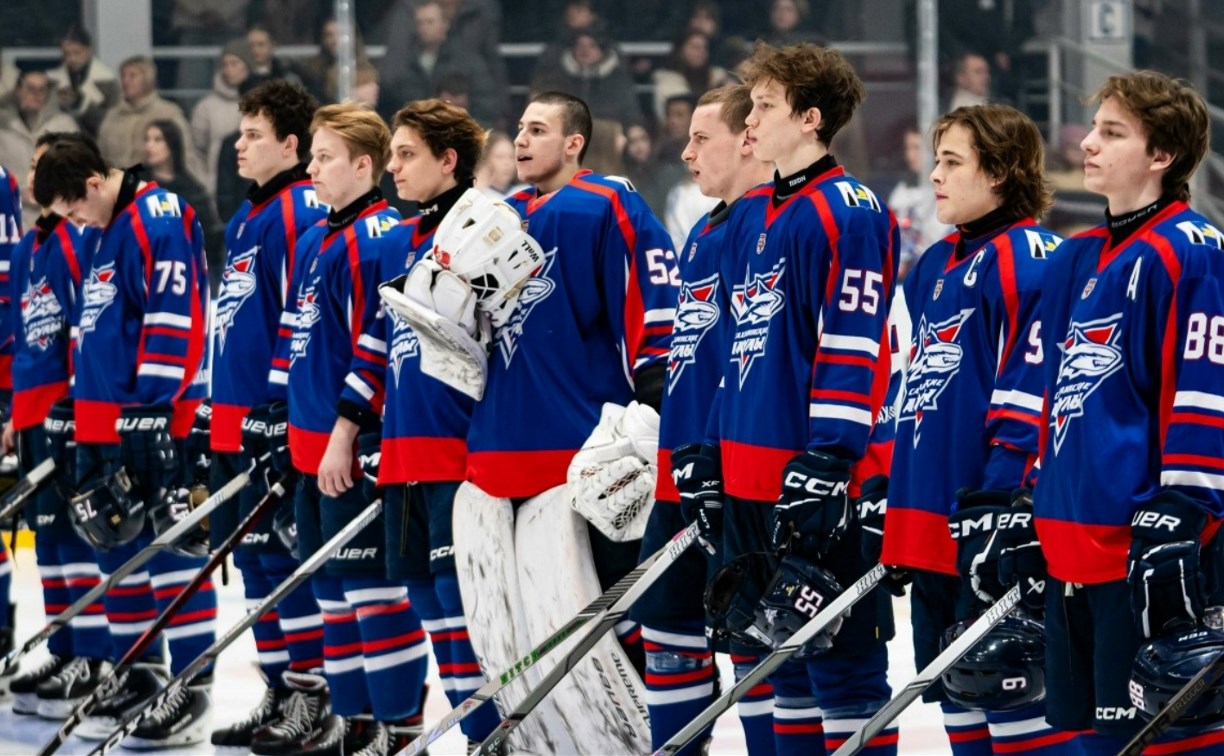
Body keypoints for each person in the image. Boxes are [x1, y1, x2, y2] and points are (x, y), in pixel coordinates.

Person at [686, 41, 899, 754]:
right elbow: (735, 353)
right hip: (748, 477)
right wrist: (711, 449)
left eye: (767, 106)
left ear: (810, 119)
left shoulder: (849, 210)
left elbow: (854, 343)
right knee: (764, 671)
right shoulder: (749, 216)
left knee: (840, 672)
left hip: (811, 480)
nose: (751, 120)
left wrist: (831, 460)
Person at [1034, 70, 1224, 754]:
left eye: (1111, 133)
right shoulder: (1082, 257)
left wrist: (1186, 503)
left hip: (1142, 550)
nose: (1087, 143)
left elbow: (1205, 384)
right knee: (1091, 741)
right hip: (1072, 544)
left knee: (1169, 740)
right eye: (1093, 129)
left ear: (1161, 155)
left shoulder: (1191, 251)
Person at [880, 104, 1079, 755]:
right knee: (958, 699)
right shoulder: (932, 264)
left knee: (1011, 697)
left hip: (988, 521)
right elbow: (910, 388)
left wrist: (1002, 501)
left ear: (999, 172)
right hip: (928, 517)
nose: (933, 174)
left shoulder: (1032, 259)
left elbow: (1035, 393)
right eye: (936, 159)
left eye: (951, 161)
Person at [33, 130, 216, 749]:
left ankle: (189, 686)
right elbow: (99, 323)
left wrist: (152, 412)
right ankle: (142, 670)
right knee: (114, 548)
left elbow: (176, 317)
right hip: (105, 416)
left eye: (76, 208)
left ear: (92, 182)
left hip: (150, 418)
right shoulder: (103, 227)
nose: (75, 223)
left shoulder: (157, 218)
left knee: (167, 554)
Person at [274, 101, 428, 755]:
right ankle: (355, 723)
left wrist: (350, 434)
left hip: (354, 449)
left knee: (375, 594)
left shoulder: (381, 238)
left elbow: (383, 350)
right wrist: (277, 427)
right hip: (308, 448)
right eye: (310, 155)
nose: (311, 168)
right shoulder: (314, 237)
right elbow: (295, 336)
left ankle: (399, 729)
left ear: (364, 166)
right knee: (333, 596)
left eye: (324, 157)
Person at [633, 83, 775, 755]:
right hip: (676, 475)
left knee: (750, 636)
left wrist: (713, 452)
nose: (685, 152)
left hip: (729, 476)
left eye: (700, 138)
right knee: (665, 627)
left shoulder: (764, 226)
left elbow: (758, 362)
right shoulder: (706, 230)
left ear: (749, 139)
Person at [202, 79, 329, 751]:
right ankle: (279, 688)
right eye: (240, 133)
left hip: (273, 428)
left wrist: (277, 409)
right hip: (234, 422)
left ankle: (312, 697)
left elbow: (299, 323)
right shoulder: (252, 214)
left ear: (291, 144)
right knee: (254, 569)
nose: (238, 145)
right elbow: (236, 322)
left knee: (287, 565)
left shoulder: (297, 210)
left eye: (253, 135)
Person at [377, 97, 501, 754]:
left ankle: (495, 739)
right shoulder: (404, 238)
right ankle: (477, 737)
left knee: (470, 618)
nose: (392, 168)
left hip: (459, 458)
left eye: (406, 155)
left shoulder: (487, 232)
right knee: (433, 614)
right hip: (402, 456)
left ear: (448, 161)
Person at [2, 131, 111, 719]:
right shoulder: (28, 248)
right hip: (34, 411)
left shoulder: (78, 241)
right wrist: (17, 415)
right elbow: (25, 335)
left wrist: (71, 405)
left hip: (70, 411)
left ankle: (93, 654)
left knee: (78, 533)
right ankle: (65, 641)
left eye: (46, 166)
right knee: (48, 539)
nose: (35, 177)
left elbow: (81, 330)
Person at [142, 120, 225, 293]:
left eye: (157, 140)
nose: (149, 146)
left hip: (184, 273)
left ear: (172, 145)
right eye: (147, 139)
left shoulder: (192, 190)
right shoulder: (136, 185)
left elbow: (208, 238)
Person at [0, 70, 80, 227]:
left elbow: (79, 168)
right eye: (30, 88)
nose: (36, 94)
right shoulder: (3, 126)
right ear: (17, 90)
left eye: (42, 90)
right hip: (10, 216)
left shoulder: (64, 125)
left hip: (56, 216)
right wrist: (16, 193)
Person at [95, 56, 197, 175]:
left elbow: (185, 156)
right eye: (123, 76)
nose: (126, 81)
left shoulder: (168, 114)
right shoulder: (112, 116)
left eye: (132, 75)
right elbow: (100, 157)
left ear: (148, 79)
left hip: (156, 187)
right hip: (119, 188)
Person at [189, 37, 254, 196]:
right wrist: (205, 182)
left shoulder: (261, 105)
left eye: (234, 63)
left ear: (247, 66)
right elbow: (195, 150)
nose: (229, 69)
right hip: (216, 189)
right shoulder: (206, 107)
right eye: (225, 64)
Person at [887, 125, 952, 280]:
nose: (910, 155)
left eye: (916, 148)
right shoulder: (901, 192)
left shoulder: (947, 190)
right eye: (907, 148)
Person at [45, 24, 118, 138]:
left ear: (88, 50)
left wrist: (81, 103)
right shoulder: (52, 80)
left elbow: (114, 125)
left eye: (77, 52)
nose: (71, 59)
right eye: (66, 54)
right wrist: (54, 102)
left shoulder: (106, 81)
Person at [651, 30, 732, 122]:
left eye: (704, 48)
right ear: (680, 50)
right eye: (695, 47)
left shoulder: (719, 78)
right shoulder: (666, 83)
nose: (701, 52)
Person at [473, 129, 520, 200]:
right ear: (485, 160)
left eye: (511, 157)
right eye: (500, 157)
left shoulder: (525, 192)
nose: (507, 163)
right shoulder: (478, 195)